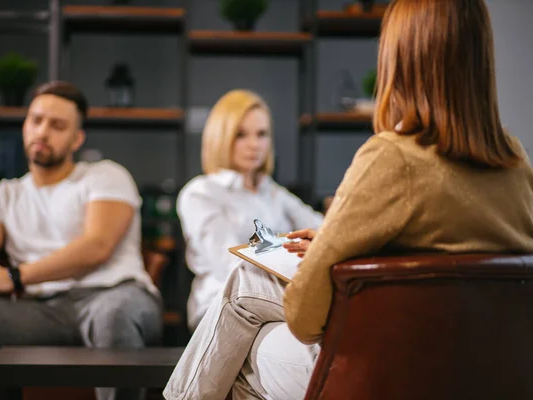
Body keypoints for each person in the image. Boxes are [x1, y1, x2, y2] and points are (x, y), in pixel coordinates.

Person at [164, 0, 533, 398]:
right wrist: (331, 244)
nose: (254, 144)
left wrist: (326, 252)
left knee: (244, 328)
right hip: (486, 363)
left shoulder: (391, 156)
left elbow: (305, 317)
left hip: (394, 364)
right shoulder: (515, 163)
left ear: (398, 60)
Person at [0, 81, 162, 400]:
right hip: (39, 312)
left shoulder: (105, 175)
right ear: (25, 125)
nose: (42, 131)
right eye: (36, 120)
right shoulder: (4, 194)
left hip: (114, 295)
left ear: (76, 138)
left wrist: (15, 276)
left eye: (57, 125)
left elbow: (97, 246)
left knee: (115, 316)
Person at [176, 89, 323, 331]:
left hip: (281, 300)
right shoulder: (201, 193)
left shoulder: (273, 192)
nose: (254, 145)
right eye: (241, 135)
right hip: (221, 307)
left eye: (262, 134)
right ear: (221, 138)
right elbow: (230, 265)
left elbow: (325, 232)